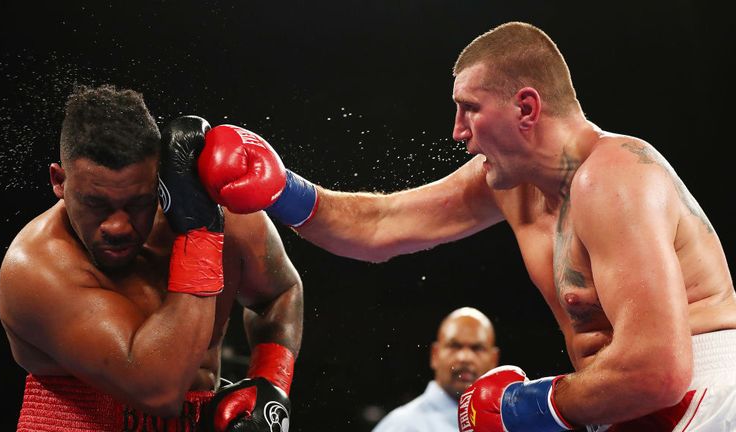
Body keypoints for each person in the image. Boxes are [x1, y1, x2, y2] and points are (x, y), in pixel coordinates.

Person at [197, 21, 736, 431]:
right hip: (632, 405)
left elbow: (657, 368)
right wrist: (281, 188)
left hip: (701, 390)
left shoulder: (614, 177)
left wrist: (523, 407)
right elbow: (382, 227)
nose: (458, 131)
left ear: (526, 107)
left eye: (469, 108)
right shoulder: (510, 184)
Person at [0, 84, 303, 431]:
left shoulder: (226, 218)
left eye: (137, 203)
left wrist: (271, 381)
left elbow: (279, 292)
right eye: (96, 204)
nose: (118, 226)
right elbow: (159, 392)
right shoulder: (36, 267)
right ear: (59, 181)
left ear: (158, 180)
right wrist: (199, 236)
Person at [372, 307, 499, 432]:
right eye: (454, 346)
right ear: (435, 355)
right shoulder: (402, 426)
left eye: (477, 348)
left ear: (494, 360)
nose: (465, 357)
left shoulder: (506, 426)